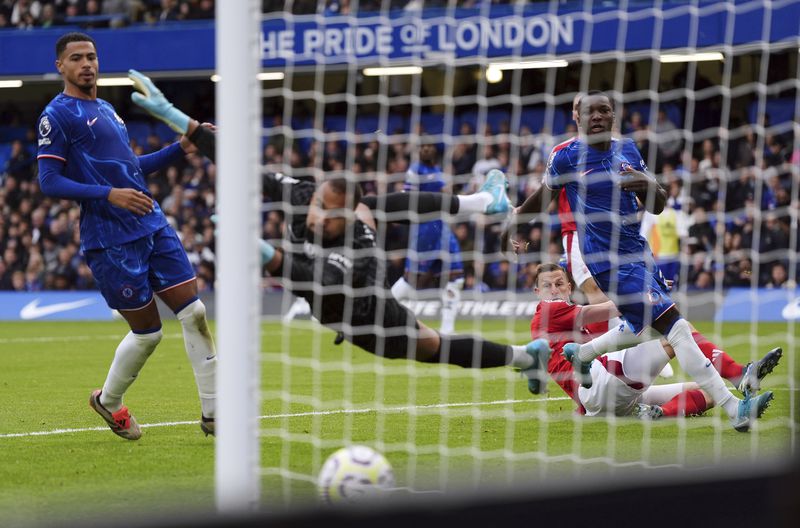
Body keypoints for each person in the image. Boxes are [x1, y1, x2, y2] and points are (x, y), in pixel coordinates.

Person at [128, 70, 550, 378]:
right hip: (328, 298)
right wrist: (177, 118)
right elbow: (241, 166)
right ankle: (483, 202)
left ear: (349, 219)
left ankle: (523, 357)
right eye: (318, 206)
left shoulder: (362, 247)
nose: (319, 216)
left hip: (367, 317)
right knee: (381, 204)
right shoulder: (303, 194)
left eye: (333, 214)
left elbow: (320, 278)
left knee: (434, 348)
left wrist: (267, 255)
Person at [501, 90, 774, 432]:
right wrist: (516, 225)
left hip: (638, 253)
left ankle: (584, 354)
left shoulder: (627, 149)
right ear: (577, 119)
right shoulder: (566, 158)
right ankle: (735, 407)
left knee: (642, 328)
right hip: (607, 262)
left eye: (604, 111)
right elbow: (541, 200)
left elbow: (657, 204)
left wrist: (648, 183)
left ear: (614, 116)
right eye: (590, 112)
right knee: (676, 329)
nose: (597, 116)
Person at [36, 33, 217, 440]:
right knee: (149, 333)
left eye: (92, 57)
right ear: (60, 67)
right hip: (110, 238)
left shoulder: (106, 109)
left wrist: (181, 148)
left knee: (195, 313)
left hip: (151, 223)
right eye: (77, 58)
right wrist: (109, 194)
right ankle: (109, 401)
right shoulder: (57, 115)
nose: (87, 64)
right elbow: (48, 181)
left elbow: (130, 168)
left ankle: (214, 414)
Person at [524, 263, 777, 420]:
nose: (554, 290)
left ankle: (657, 414)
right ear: (538, 293)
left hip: (602, 404)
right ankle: (739, 374)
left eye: (559, 284)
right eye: (547, 286)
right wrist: (649, 293)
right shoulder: (548, 310)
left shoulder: (569, 317)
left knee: (707, 390)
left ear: (569, 286)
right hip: (600, 385)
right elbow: (608, 310)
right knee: (676, 329)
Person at [390, 140, 465, 335]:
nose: (426, 149)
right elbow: (408, 197)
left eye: (429, 146)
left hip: (442, 228)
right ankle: (380, 311)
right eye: (423, 146)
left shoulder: (436, 169)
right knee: (411, 279)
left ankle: (448, 329)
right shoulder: (416, 170)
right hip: (425, 229)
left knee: (455, 277)